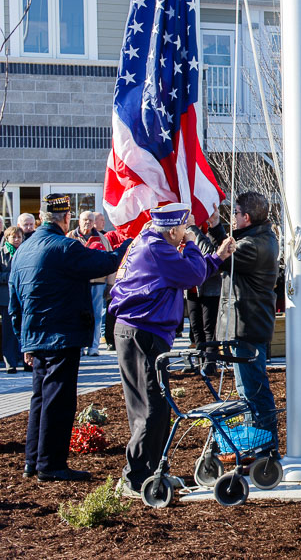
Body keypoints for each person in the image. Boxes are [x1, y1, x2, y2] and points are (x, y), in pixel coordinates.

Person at [109, 203, 234, 498]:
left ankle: (154, 470)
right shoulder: (157, 248)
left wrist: (216, 257)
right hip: (143, 333)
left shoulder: (150, 242)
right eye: (184, 230)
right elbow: (191, 275)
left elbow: (190, 272)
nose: (185, 235)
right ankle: (136, 476)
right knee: (150, 407)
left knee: (155, 405)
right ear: (174, 229)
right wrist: (194, 244)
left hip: (139, 331)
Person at [9, 194, 130, 481]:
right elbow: (108, 262)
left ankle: (33, 461)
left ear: (41, 218)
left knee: (40, 399)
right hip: (61, 335)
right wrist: (129, 243)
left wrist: (23, 341)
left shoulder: (23, 250)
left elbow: (15, 306)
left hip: (37, 337)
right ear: (66, 219)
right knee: (58, 401)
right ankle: (50, 464)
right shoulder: (64, 247)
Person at [223, 192, 280, 435]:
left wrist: (197, 235)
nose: (232, 218)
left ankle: (265, 449)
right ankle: (257, 443)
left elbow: (223, 259)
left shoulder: (254, 246)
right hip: (249, 325)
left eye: (235, 213)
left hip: (248, 326)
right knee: (247, 389)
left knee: (253, 389)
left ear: (246, 217)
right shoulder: (260, 238)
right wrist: (214, 228)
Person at [68, 211, 111, 357]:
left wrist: (111, 284)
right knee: (77, 315)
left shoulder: (102, 239)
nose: (88, 223)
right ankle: (79, 346)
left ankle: (93, 346)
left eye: (91, 220)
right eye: (85, 220)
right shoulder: (69, 237)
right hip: (76, 283)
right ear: (79, 221)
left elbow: (110, 260)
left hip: (98, 283)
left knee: (97, 315)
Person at [186, 208, 226, 350]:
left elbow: (208, 252)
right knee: (196, 329)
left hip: (210, 289)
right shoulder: (186, 237)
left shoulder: (209, 236)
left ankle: (210, 363)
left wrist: (193, 230)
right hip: (192, 290)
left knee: (209, 329)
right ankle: (200, 361)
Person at [0, 226, 25, 374]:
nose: (16, 240)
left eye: (19, 237)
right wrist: (11, 277)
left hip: (24, 298)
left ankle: (26, 360)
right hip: (7, 298)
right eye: (13, 237)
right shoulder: (2, 253)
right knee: (9, 332)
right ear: (7, 238)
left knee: (24, 330)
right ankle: (10, 363)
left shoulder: (26, 252)